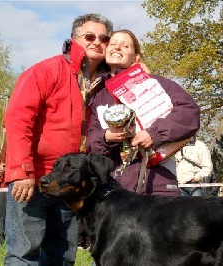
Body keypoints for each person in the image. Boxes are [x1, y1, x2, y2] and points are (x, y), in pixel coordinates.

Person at [3, 14, 113, 265]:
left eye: (104, 38)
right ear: (74, 40)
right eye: (89, 36)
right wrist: (22, 171)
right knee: (24, 253)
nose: (97, 42)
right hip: (33, 177)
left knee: (63, 254)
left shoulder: (107, 84)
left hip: (70, 184)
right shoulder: (46, 71)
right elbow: (18, 119)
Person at [85, 29, 200, 196]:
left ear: (136, 56)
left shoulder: (154, 82)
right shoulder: (99, 97)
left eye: (125, 46)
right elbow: (92, 142)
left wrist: (154, 134)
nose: (117, 48)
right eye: (112, 44)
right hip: (116, 189)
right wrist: (106, 137)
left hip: (157, 185)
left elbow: (189, 112)